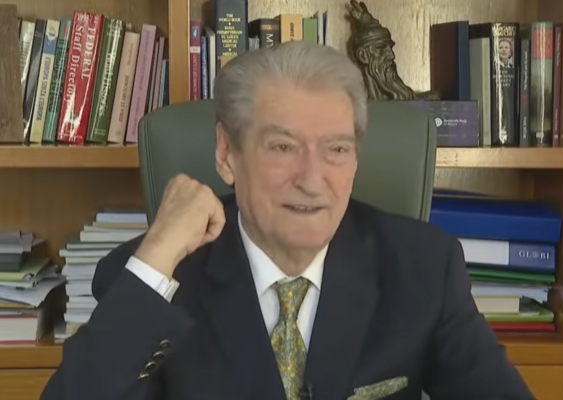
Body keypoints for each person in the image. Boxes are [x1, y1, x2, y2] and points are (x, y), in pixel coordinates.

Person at [41, 40, 535, 400]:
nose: (313, 180)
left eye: (336, 149)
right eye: (282, 147)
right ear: (227, 153)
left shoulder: (424, 268)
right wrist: (156, 257)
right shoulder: (157, 277)